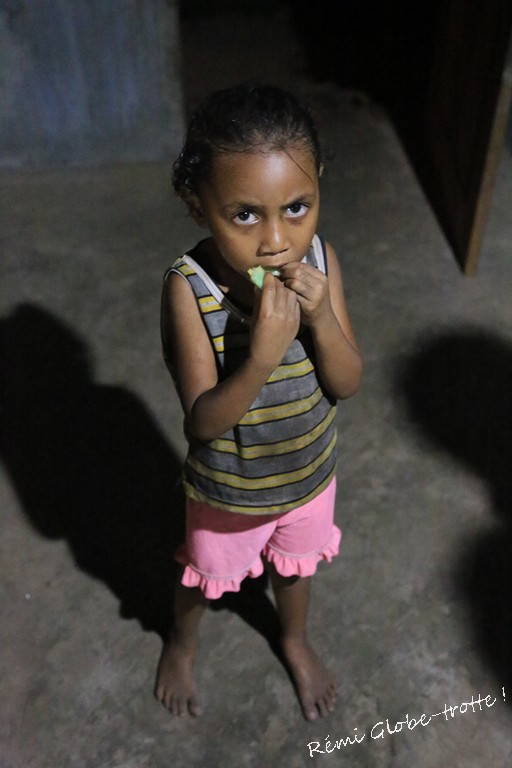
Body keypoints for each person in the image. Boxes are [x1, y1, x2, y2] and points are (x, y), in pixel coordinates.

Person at [155, 84, 362, 722]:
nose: (277, 241)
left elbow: (347, 382)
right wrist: (261, 359)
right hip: (230, 492)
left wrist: (322, 320)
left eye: (297, 208)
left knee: (295, 572)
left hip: (309, 476)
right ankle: (181, 643)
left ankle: (294, 640)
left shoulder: (321, 260)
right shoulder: (190, 290)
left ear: (319, 183)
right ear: (198, 208)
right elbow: (202, 424)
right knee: (203, 577)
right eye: (245, 215)